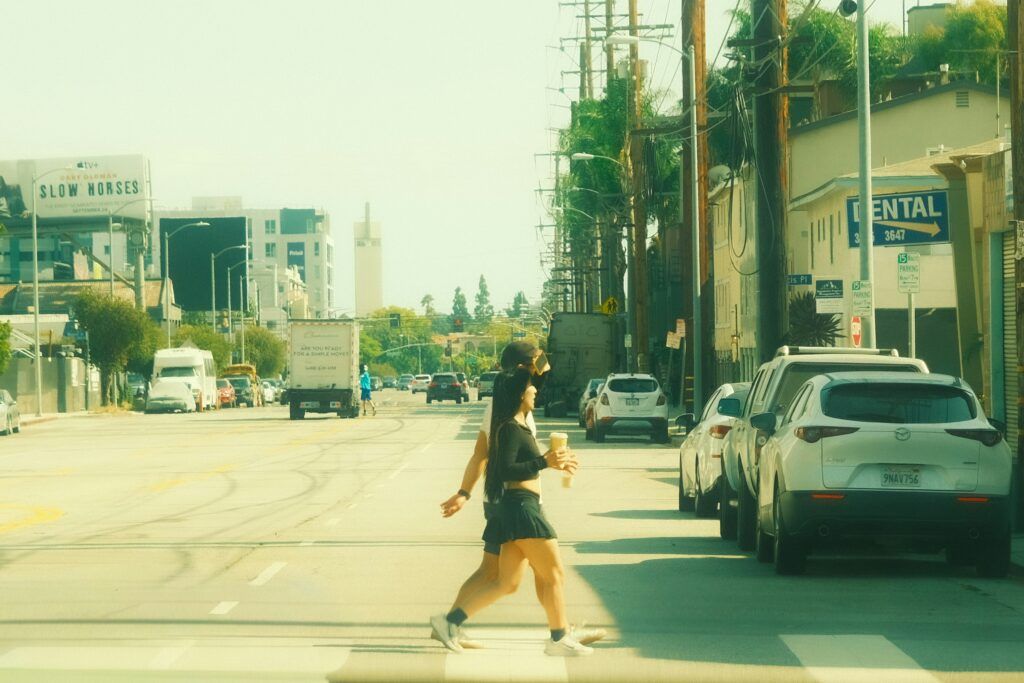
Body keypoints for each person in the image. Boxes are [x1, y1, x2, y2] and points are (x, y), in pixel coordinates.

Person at [431, 353, 597, 656]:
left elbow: (520, 459)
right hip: (517, 505)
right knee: (550, 573)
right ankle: (559, 636)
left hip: (519, 504)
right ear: (521, 378)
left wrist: (552, 462)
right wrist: (464, 493)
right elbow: (493, 461)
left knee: (505, 581)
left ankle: (450, 622)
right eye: (532, 377)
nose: (537, 385)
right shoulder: (504, 418)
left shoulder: (519, 418)